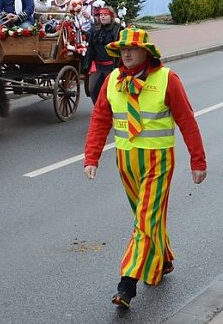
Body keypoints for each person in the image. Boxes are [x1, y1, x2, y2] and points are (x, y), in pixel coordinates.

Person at [83, 28, 207, 310]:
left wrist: (197, 161)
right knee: (147, 218)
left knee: (144, 221)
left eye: (132, 49)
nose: (126, 53)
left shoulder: (167, 79)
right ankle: (163, 260)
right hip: (126, 162)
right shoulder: (113, 80)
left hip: (157, 161)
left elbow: (187, 121)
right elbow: (100, 118)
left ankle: (127, 283)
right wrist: (91, 157)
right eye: (122, 49)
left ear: (146, 53)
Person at [82, 2, 121, 104]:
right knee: (93, 89)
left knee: (111, 91)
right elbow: (90, 48)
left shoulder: (117, 29)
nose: (102, 17)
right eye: (101, 15)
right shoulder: (95, 29)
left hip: (112, 66)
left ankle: (112, 111)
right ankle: (99, 109)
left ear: (111, 16)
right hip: (98, 67)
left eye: (105, 15)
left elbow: (121, 49)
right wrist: (86, 65)